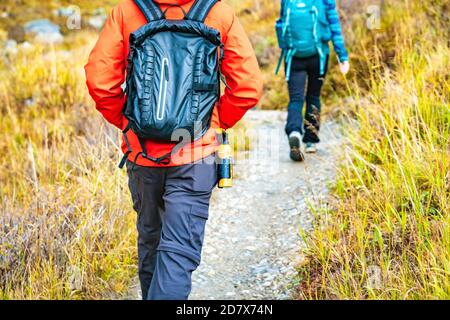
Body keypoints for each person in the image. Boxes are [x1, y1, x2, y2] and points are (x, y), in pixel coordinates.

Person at [85, 0, 262, 300]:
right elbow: (248, 87)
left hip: (142, 156)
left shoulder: (127, 11)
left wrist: (131, 125)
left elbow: (100, 82)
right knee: (178, 253)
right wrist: (212, 123)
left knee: (151, 242)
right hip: (195, 156)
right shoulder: (218, 13)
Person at [277, 0, 349, 161]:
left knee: (296, 99)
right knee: (313, 96)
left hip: (293, 56)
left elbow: (282, 22)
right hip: (319, 56)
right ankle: (310, 140)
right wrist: (342, 55)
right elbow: (333, 24)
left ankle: (294, 131)